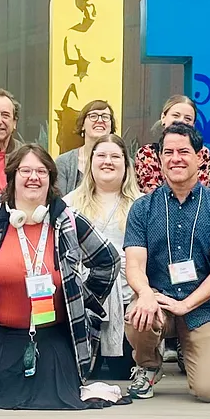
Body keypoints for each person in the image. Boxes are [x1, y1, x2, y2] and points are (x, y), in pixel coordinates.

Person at [0, 144, 120, 410]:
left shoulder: (68, 221)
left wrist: (81, 301)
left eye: (41, 171)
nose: (33, 177)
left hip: (52, 341)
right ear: (13, 177)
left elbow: (109, 261)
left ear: (50, 178)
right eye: (25, 171)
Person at [123, 122, 210, 401]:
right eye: (168, 152)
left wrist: (186, 304)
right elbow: (134, 264)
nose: (175, 158)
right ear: (160, 159)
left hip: (201, 305)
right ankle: (148, 366)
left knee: (209, 391)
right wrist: (145, 294)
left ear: (199, 157)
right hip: (158, 300)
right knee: (137, 314)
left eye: (183, 151)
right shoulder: (143, 208)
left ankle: (195, 350)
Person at [64, 135, 137, 366]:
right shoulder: (68, 205)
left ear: (126, 164)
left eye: (115, 156)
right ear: (90, 161)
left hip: (128, 299)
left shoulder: (141, 204)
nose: (108, 161)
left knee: (120, 372)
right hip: (83, 298)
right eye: (101, 155)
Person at [134, 95, 210, 194]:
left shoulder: (202, 153)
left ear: (193, 124)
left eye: (188, 118)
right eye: (176, 115)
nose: (181, 121)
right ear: (163, 117)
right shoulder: (146, 153)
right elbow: (152, 194)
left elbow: (200, 191)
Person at [54, 100, 116, 193]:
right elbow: (60, 200)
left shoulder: (124, 162)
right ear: (82, 125)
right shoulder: (64, 162)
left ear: (111, 126)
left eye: (105, 117)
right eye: (93, 116)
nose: (100, 120)